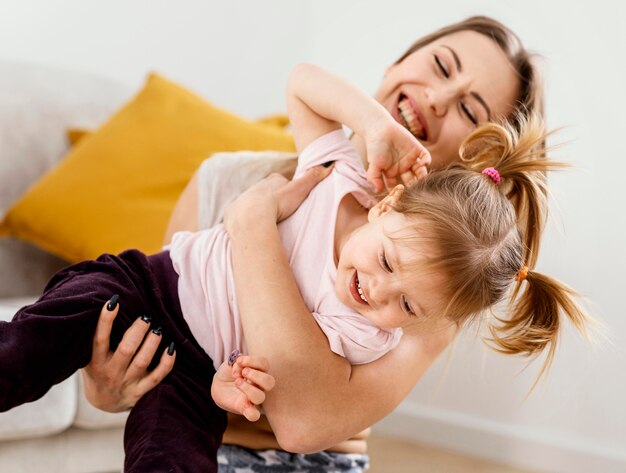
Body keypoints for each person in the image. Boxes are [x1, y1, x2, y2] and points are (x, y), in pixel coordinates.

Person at [83, 15, 549, 473]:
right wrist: (107, 391)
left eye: (470, 110)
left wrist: (252, 227)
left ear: (480, 155)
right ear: (396, 64)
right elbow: (167, 339)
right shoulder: (224, 178)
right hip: (188, 444)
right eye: (442, 66)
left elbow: (304, 423)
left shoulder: (434, 293)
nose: (438, 98)